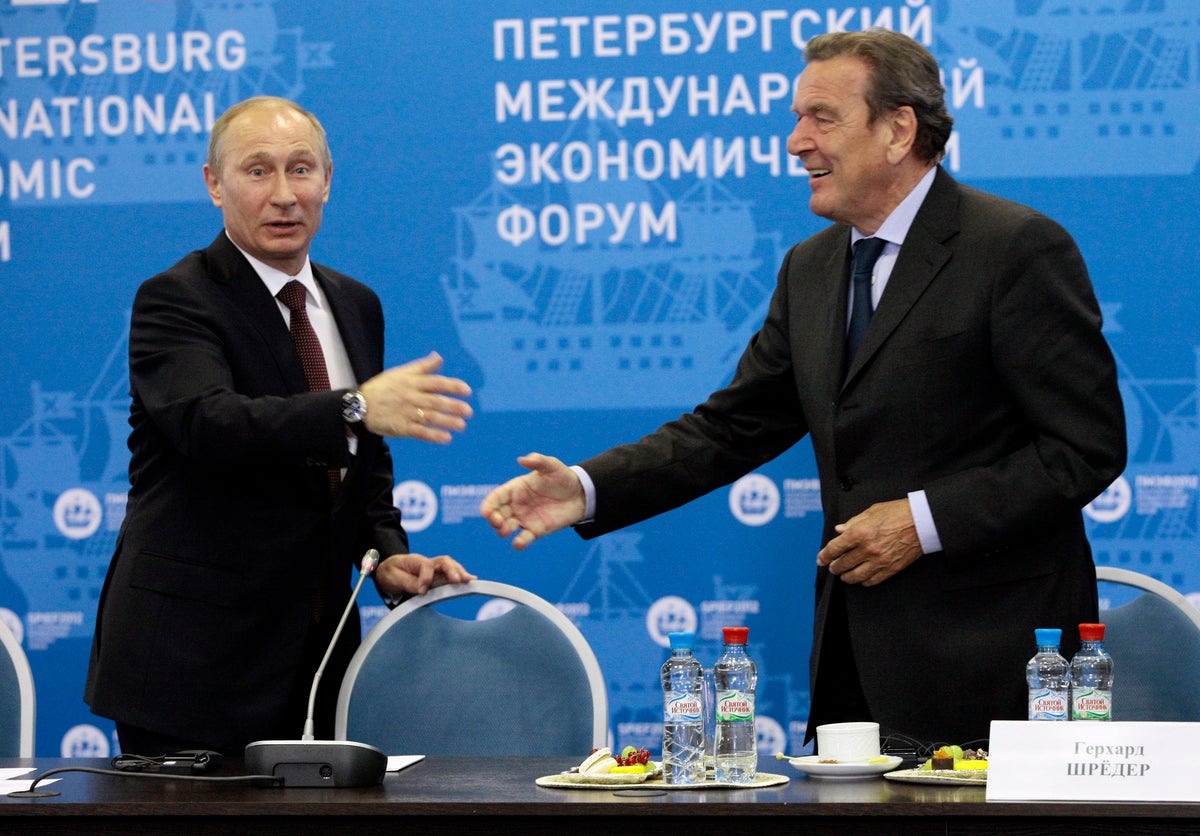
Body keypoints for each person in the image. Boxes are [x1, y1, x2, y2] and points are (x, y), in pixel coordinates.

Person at [480, 30, 1126, 748]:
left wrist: (922, 521)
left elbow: (1084, 449)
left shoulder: (1014, 248)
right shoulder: (810, 268)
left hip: (997, 666)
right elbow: (731, 427)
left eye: (822, 118)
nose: (796, 142)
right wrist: (587, 488)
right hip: (853, 666)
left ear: (898, 130)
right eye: (796, 119)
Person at [85, 96, 477, 756]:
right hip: (193, 665)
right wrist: (353, 407)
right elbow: (208, 424)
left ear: (328, 180)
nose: (284, 195)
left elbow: (360, 464)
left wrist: (384, 553)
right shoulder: (177, 297)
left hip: (319, 659)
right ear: (215, 184)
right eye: (258, 170)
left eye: (300, 169)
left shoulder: (355, 304)